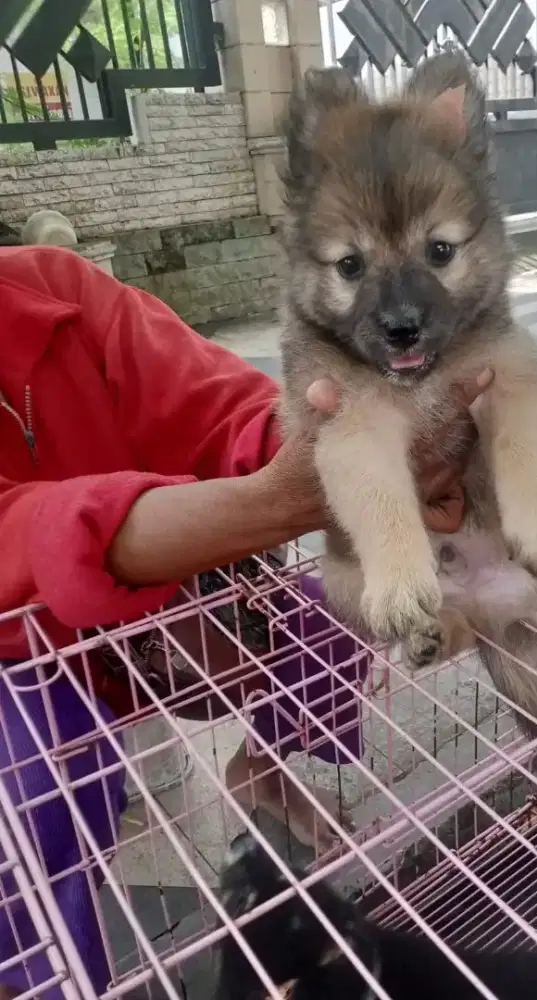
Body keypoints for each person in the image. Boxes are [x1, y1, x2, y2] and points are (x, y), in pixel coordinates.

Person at [0, 244, 490, 998]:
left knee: (346, 592)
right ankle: (40, 974)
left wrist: (336, 442)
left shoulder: (50, 289)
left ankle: (262, 761)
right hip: (23, 637)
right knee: (51, 787)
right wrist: (274, 502)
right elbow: (21, 531)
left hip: (161, 564)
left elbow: (219, 400)